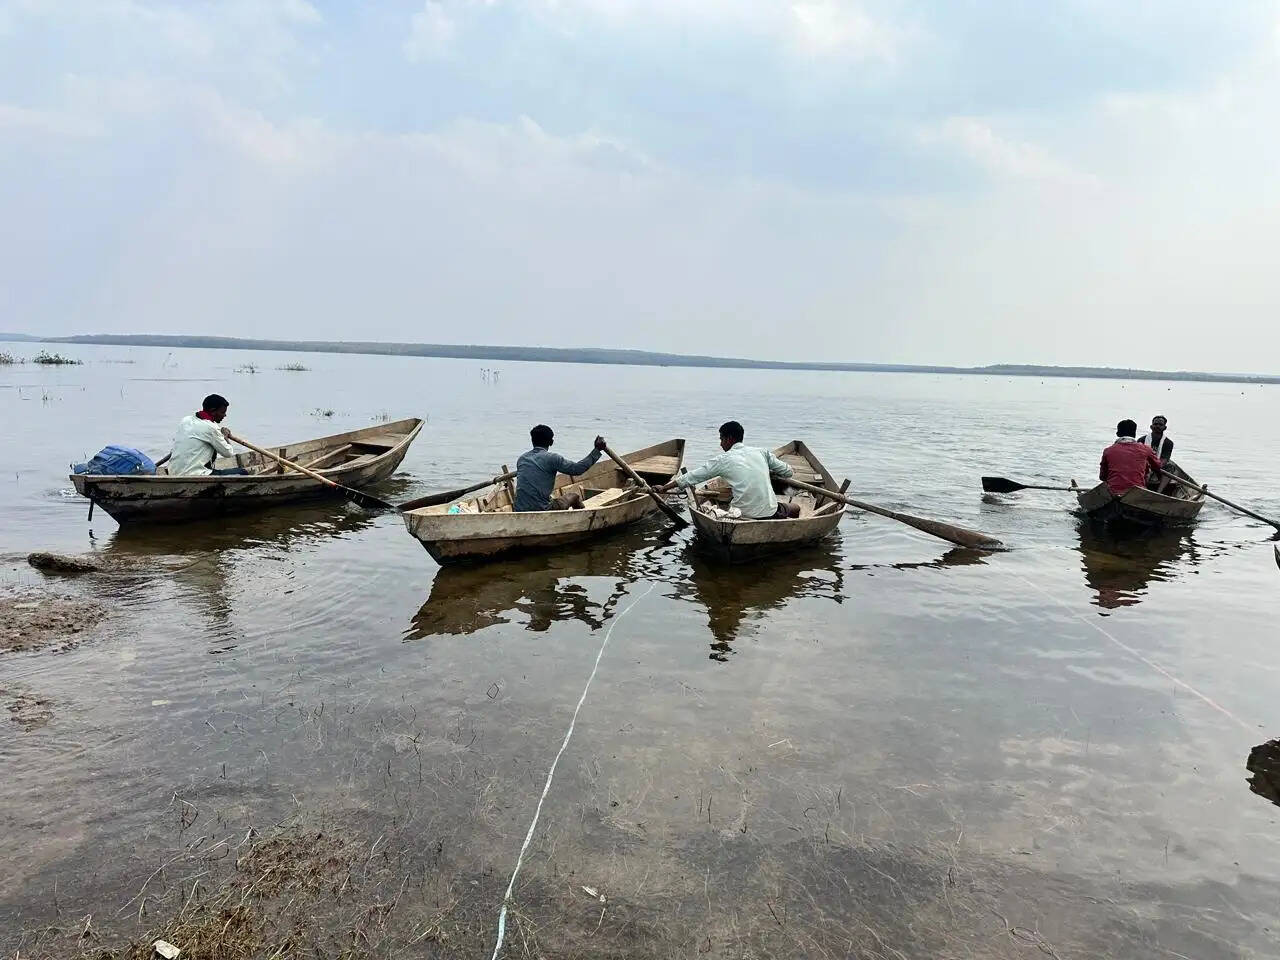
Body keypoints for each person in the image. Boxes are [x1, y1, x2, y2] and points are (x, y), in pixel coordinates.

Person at [654, 421, 800, 520]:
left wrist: (664, 487)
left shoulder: (723, 460)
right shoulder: (762, 452)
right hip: (770, 513)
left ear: (729, 439)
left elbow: (692, 477)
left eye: (721, 439)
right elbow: (788, 472)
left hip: (739, 514)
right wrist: (772, 472)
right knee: (795, 508)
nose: (720, 444)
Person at [514, 425, 607, 511]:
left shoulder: (522, 459)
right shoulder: (553, 458)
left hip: (519, 510)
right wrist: (597, 450)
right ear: (551, 442)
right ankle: (583, 518)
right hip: (543, 509)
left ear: (532, 440)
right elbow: (577, 469)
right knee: (574, 496)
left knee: (549, 497)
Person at [166, 394, 249, 476]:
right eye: (222, 412)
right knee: (243, 472)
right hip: (195, 475)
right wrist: (225, 436)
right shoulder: (211, 428)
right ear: (213, 411)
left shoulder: (185, 420)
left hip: (173, 472)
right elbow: (228, 453)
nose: (225, 415)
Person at [1099, 419, 1164, 495]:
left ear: (1118, 433)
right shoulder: (1146, 449)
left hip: (1113, 492)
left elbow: (1102, 477)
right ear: (1134, 434)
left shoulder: (1108, 451)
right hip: (1137, 492)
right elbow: (1158, 466)